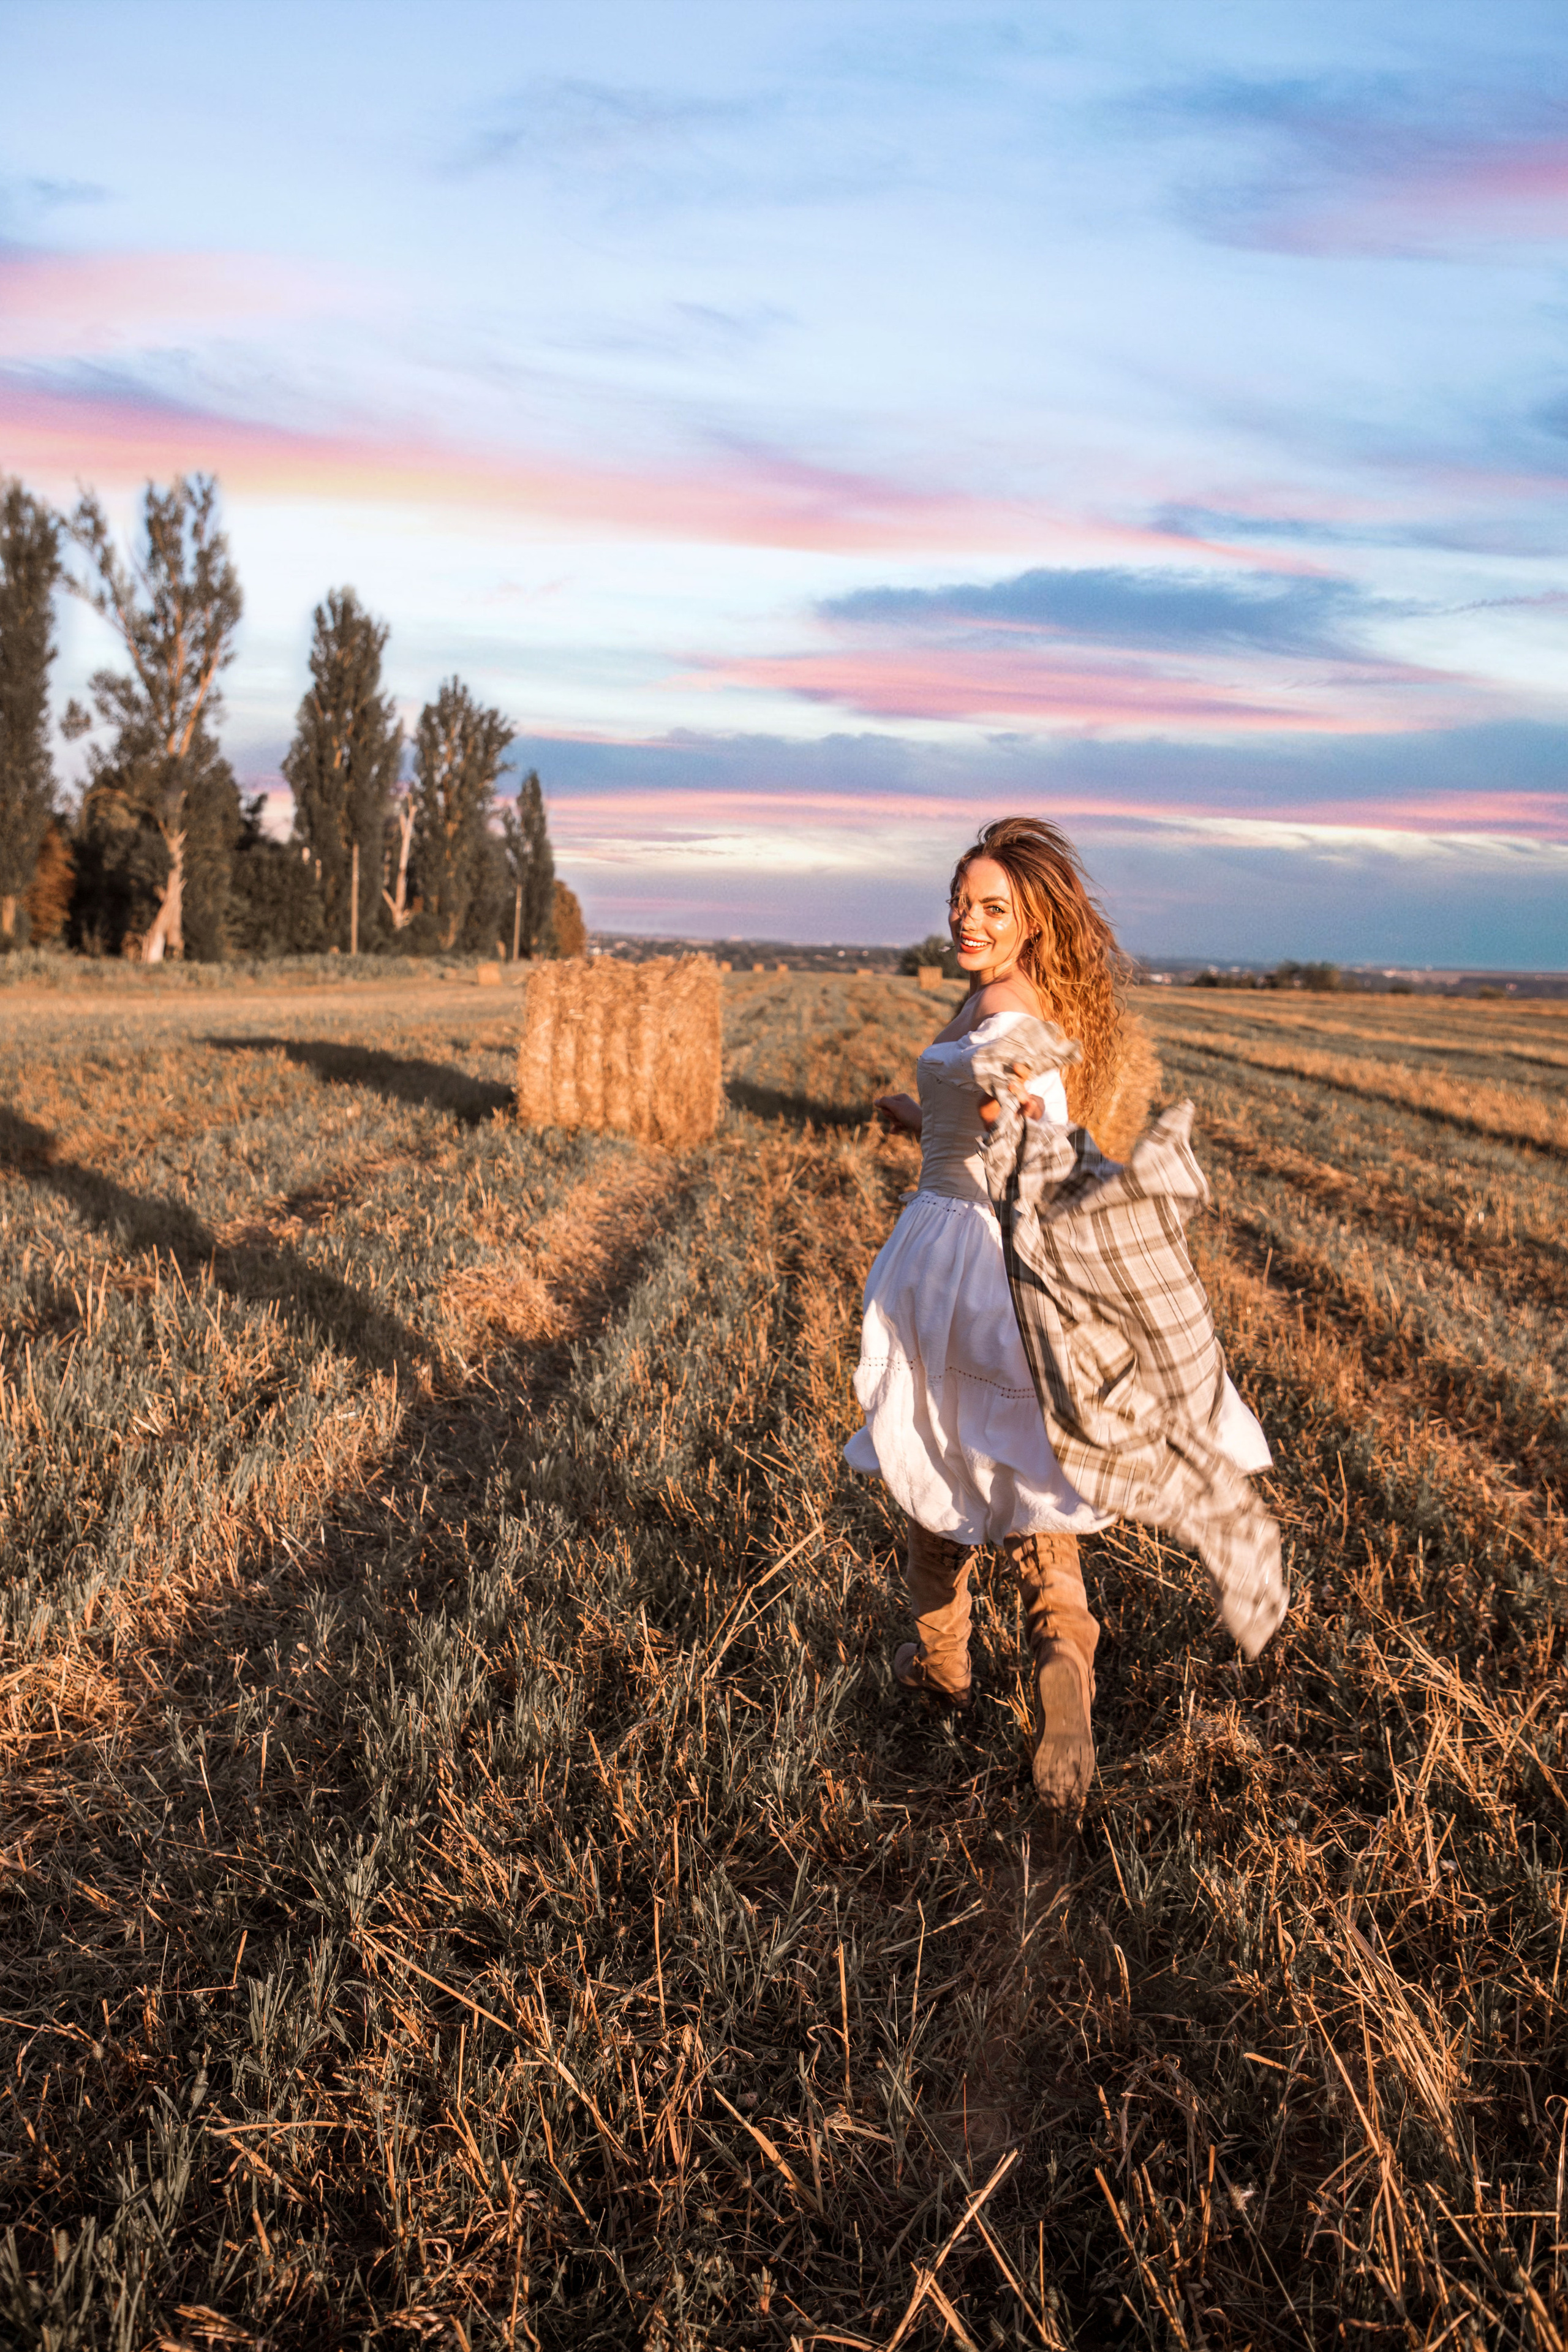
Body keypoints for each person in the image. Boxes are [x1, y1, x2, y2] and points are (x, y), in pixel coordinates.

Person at [845, 816, 1271, 1809]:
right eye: (962, 900)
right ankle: (1061, 1662)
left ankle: (945, 1667)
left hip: (958, 1257)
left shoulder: (1008, 1010)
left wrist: (1017, 1118)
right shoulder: (992, 993)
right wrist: (911, 1113)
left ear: (1033, 922)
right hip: (976, 1246)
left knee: (935, 1467)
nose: (969, 917)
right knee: (1034, 1482)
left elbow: (1015, 1105)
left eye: (993, 907)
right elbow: (972, 1109)